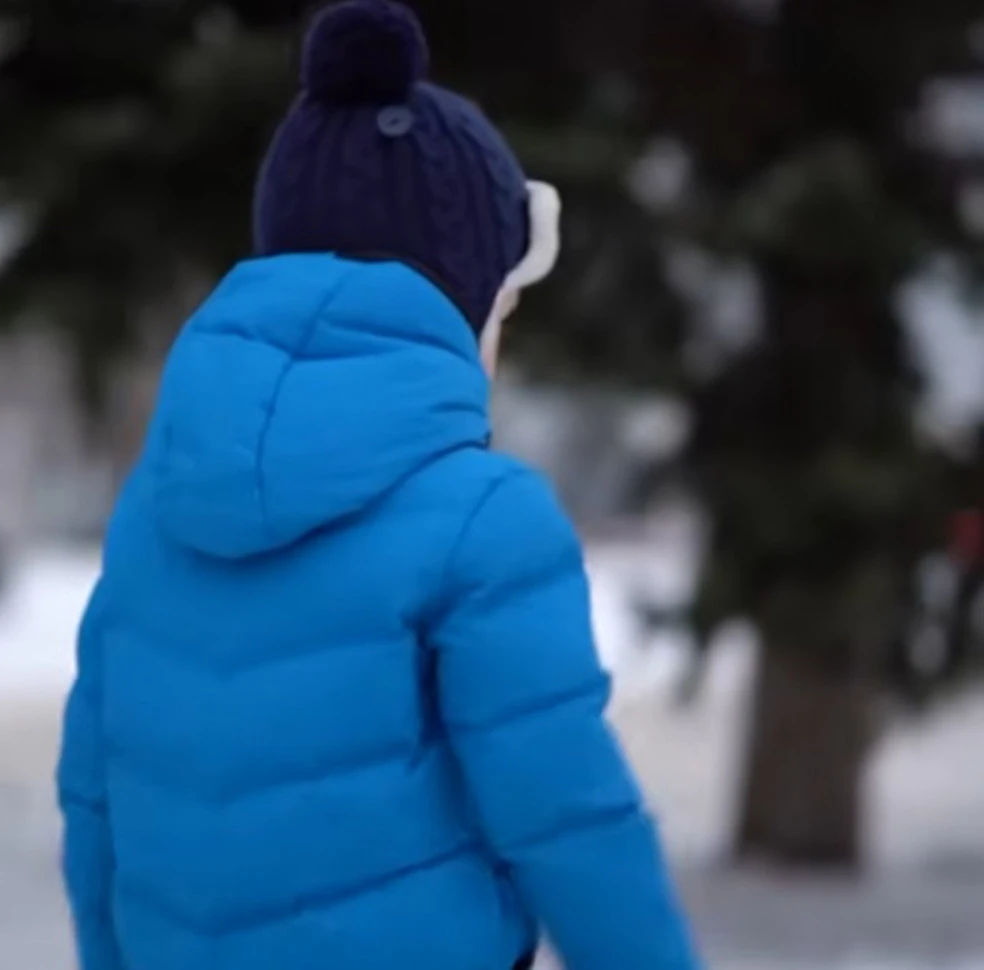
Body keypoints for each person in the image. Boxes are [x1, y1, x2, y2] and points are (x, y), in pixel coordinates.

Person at [56, 2, 701, 969]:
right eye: (507, 306)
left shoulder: (159, 510)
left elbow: (97, 801)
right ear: (471, 300)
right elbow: (570, 819)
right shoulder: (486, 521)